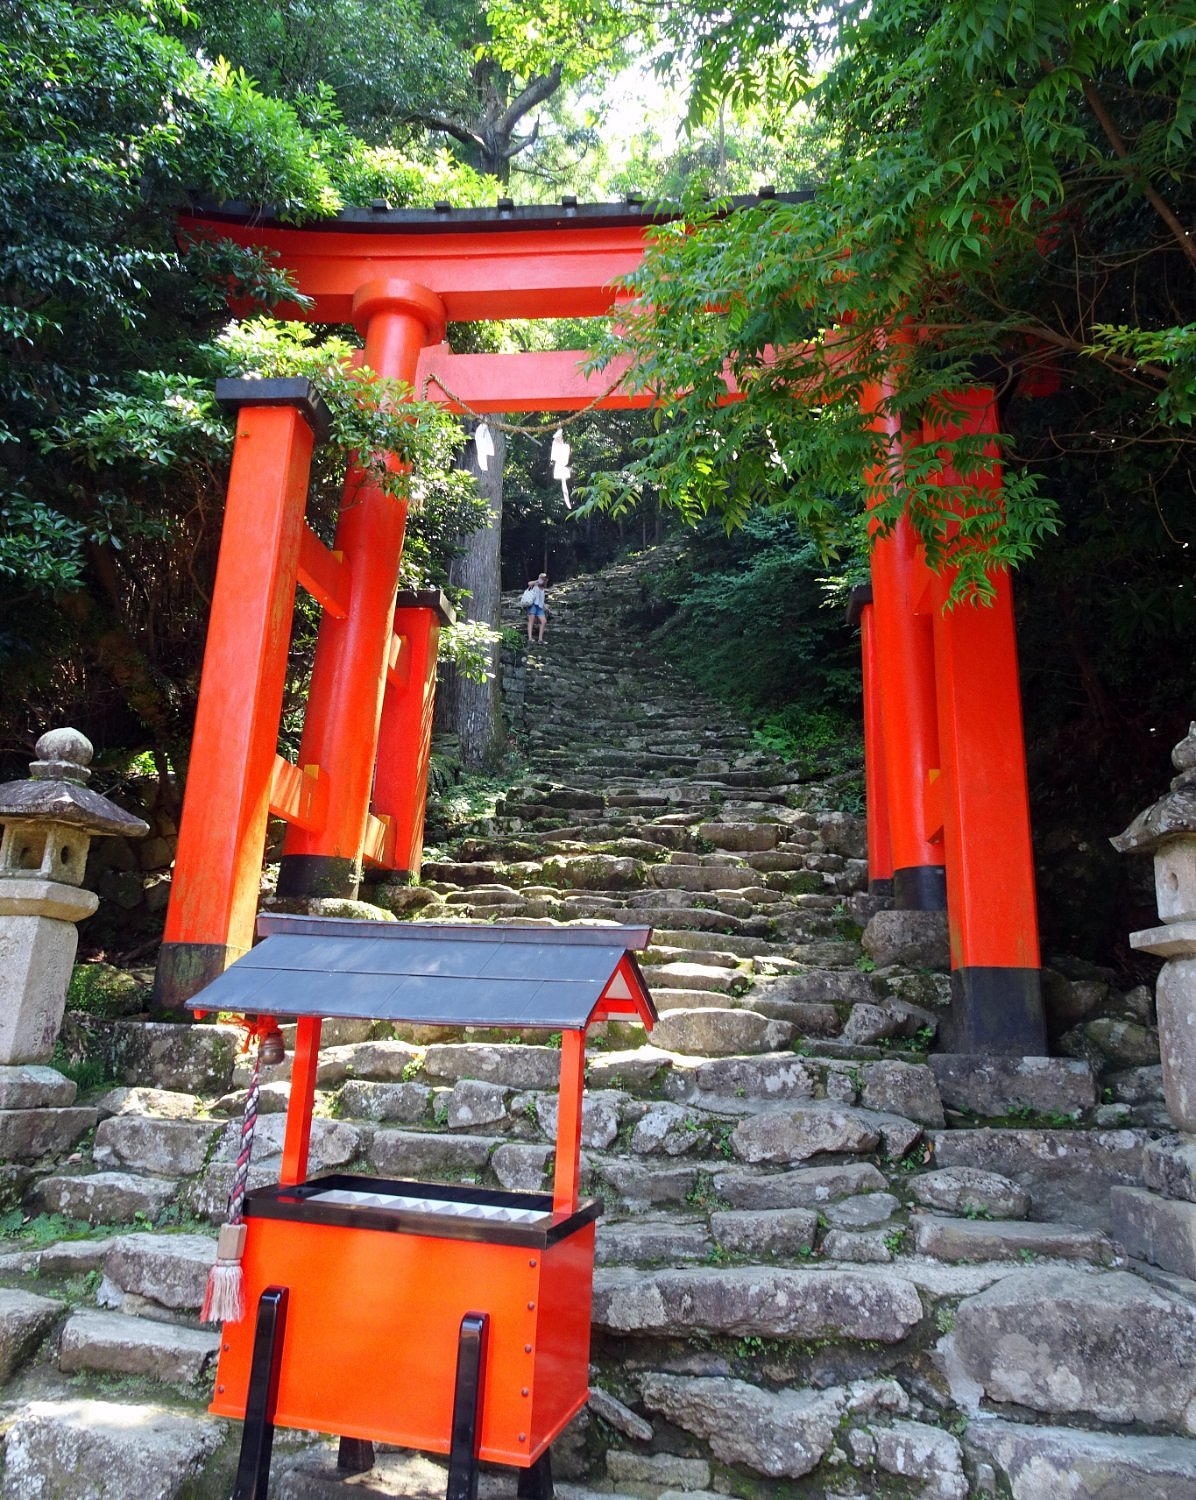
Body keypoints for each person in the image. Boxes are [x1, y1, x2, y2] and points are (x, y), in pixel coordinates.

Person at [525, 572, 549, 643]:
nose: (544, 580)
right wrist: (538, 580)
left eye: (545, 579)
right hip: (532, 605)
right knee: (531, 621)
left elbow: (541, 599)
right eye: (543, 578)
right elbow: (529, 583)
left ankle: (540, 639)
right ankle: (530, 638)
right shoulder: (535, 585)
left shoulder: (543, 588)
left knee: (544, 621)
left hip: (539, 607)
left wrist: (545, 606)